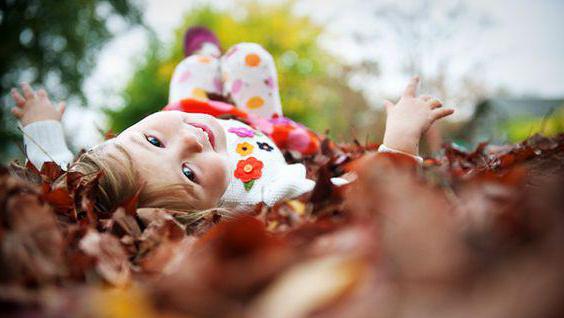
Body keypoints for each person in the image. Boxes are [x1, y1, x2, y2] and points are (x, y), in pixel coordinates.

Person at [10, 27, 454, 215]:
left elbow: (65, 178)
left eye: (153, 141)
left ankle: (203, 59)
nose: (190, 141)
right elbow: (357, 200)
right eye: (189, 173)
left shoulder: (176, 127)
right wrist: (399, 139)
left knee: (189, 77)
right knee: (249, 57)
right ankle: (220, 60)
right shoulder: (261, 193)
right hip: (260, 124)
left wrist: (40, 126)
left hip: (197, 103)